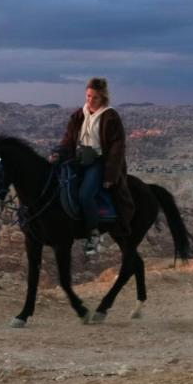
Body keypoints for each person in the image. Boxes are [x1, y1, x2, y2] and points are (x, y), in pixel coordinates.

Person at [56, 77, 134, 254]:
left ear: (103, 98)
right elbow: (69, 137)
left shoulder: (109, 116)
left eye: (94, 98)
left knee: (85, 195)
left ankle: (93, 235)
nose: (90, 100)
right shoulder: (80, 114)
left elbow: (117, 147)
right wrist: (59, 152)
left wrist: (110, 176)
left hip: (98, 162)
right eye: (88, 96)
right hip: (79, 158)